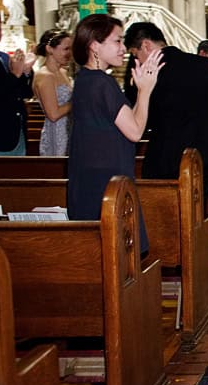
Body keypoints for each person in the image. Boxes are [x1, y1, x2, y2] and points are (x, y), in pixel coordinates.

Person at [66, 14, 164, 257]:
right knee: (121, 259)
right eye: (117, 41)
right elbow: (135, 131)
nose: (123, 48)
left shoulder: (84, 80)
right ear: (94, 45)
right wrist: (145, 91)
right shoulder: (102, 83)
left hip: (90, 180)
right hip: (109, 184)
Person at [124, 22, 208, 202]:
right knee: (198, 213)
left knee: (168, 216)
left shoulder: (148, 73)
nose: (137, 61)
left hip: (167, 155)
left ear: (146, 45)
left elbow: (143, 119)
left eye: (136, 55)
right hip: (206, 151)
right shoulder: (203, 64)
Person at [32, 29, 73, 155]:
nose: (69, 53)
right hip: (57, 132)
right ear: (50, 49)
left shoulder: (64, 72)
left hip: (70, 128)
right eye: (66, 49)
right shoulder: (45, 76)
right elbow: (53, 114)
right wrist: (78, 100)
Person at [0, 15, 34, 155]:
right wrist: (15, 75)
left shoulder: (4, 57)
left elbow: (25, 93)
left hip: (16, 131)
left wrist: (26, 71)